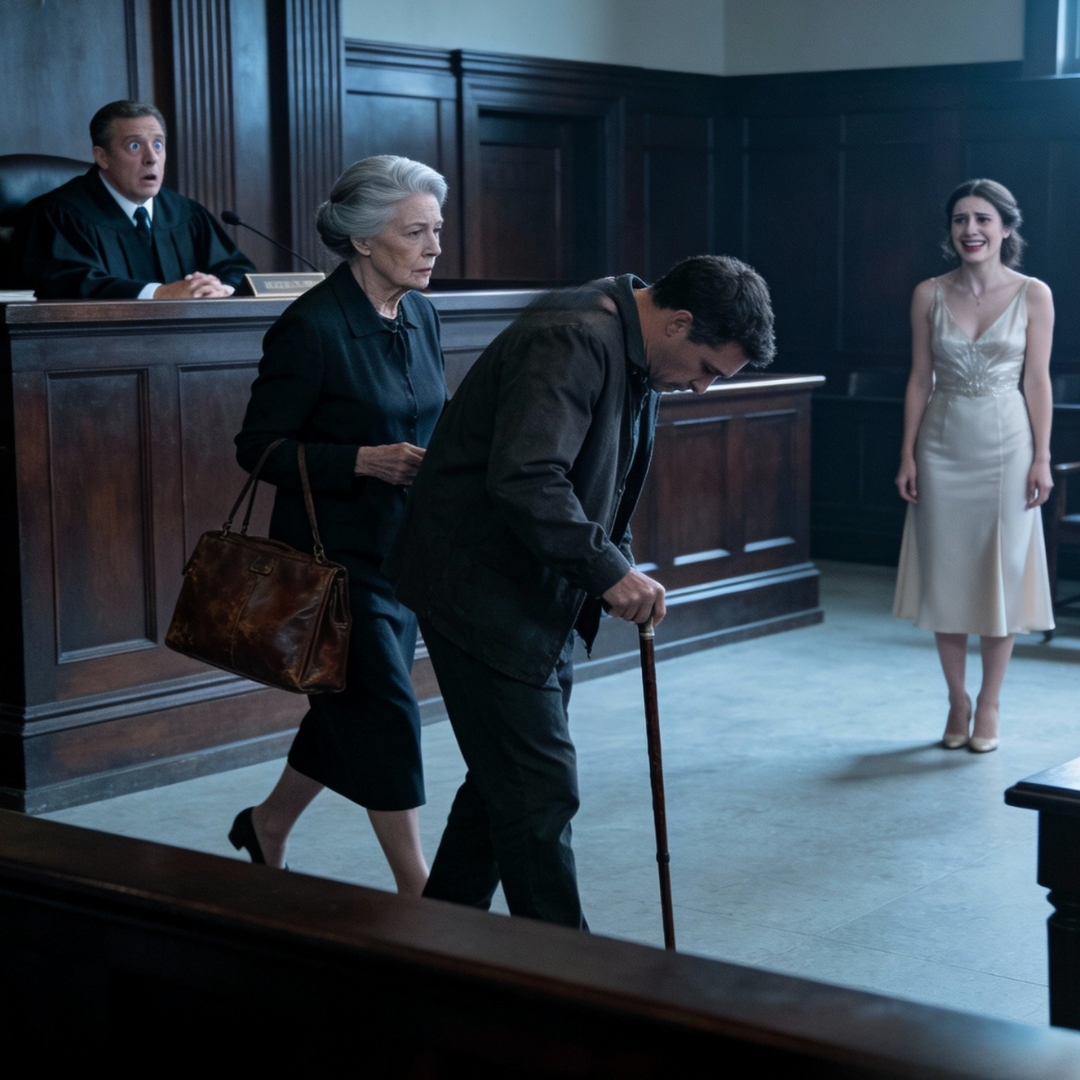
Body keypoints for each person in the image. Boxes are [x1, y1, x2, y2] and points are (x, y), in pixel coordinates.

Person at [385, 255, 776, 927]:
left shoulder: (632, 345)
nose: (703, 387)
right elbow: (528, 477)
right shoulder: (573, 336)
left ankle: (435, 941)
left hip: (536, 589)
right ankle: (568, 972)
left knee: (505, 782)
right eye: (708, 369)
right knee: (538, 791)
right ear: (679, 322)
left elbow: (602, 482)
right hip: (479, 588)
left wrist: (616, 562)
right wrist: (607, 571)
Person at [230, 155, 448, 894]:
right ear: (361, 239)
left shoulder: (420, 313)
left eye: (437, 230)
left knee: (344, 705)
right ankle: (419, 892)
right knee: (385, 711)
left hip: (404, 550)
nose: (434, 248)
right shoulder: (311, 326)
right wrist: (362, 460)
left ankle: (266, 825)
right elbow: (257, 448)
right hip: (333, 560)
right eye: (415, 232)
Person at [894, 178, 1055, 753]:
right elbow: (920, 379)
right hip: (941, 446)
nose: (971, 229)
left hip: (1008, 447)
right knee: (948, 575)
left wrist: (1043, 456)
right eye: (960, 219)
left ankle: (989, 703)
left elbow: (1038, 382)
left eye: (983, 218)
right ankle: (956, 700)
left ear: (1006, 228)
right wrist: (907, 453)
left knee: (1001, 577)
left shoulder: (1034, 294)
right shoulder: (928, 294)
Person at [18, 99, 254, 299]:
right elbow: (68, 283)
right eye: (134, 146)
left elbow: (237, 269)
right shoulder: (58, 215)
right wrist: (159, 294)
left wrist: (221, 289)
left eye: (158, 144)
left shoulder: (185, 214)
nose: (151, 158)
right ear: (102, 156)